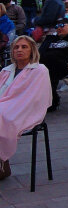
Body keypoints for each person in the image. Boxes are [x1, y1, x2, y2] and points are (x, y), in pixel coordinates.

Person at [0, 36, 52, 182]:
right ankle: (3, 164)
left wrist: (7, 106)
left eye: (24, 47)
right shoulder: (6, 71)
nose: (19, 50)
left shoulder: (40, 70)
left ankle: (2, 164)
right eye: (16, 47)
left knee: (2, 116)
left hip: (25, 110)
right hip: (4, 107)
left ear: (32, 50)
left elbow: (35, 98)